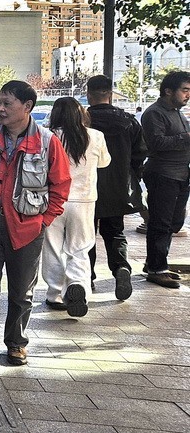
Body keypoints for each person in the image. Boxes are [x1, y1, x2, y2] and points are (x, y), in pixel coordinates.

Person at [0, 80, 71, 366]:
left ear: (27, 106)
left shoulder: (47, 141)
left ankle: (16, 343)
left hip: (27, 226)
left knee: (22, 290)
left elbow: (60, 185)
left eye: (6, 103)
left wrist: (43, 220)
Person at [41, 97, 110, 317]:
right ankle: (77, 284)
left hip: (54, 199)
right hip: (84, 200)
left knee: (52, 247)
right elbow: (104, 162)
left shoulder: (48, 135)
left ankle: (55, 293)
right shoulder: (95, 136)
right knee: (80, 248)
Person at [85, 75, 146, 300]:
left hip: (86, 188)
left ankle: (87, 276)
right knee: (116, 232)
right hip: (118, 186)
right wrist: (130, 174)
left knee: (86, 234)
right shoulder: (128, 121)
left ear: (88, 94)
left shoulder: (82, 121)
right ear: (110, 94)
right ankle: (121, 267)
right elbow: (140, 153)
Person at [139, 70, 190, 288]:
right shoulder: (154, 113)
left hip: (181, 175)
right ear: (168, 91)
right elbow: (156, 143)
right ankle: (157, 269)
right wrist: (185, 138)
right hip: (163, 174)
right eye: (185, 90)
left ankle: (154, 262)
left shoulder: (178, 113)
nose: (188, 95)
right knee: (161, 223)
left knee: (174, 222)